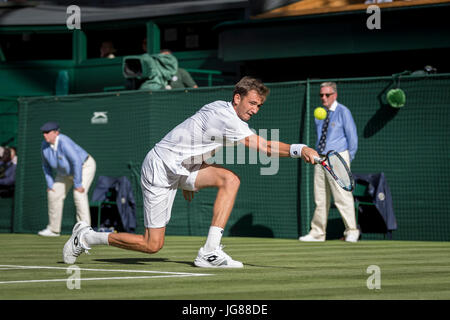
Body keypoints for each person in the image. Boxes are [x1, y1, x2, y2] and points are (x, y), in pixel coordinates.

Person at [63, 76, 319, 267]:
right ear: (237, 98)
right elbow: (263, 147)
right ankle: (86, 237)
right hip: (160, 169)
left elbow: (199, 140)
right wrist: (300, 149)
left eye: (259, 106)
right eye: (252, 103)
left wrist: (191, 176)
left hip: (181, 168)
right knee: (152, 245)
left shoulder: (221, 108)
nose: (255, 109)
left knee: (230, 179)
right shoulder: (227, 117)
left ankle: (210, 250)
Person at [299, 82, 359, 243]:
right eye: (321, 95)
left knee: (342, 196)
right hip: (321, 158)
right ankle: (317, 233)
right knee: (320, 198)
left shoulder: (343, 112)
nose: (323, 98)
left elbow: (352, 138)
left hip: (338, 157)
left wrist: (345, 160)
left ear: (335, 95)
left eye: (327, 95)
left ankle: (352, 231)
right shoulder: (319, 113)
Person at [38, 122, 96, 237]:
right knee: (53, 194)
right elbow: (46, 166)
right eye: (43, 133)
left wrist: (78, 183)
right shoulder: (44, 146)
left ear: (56, 133)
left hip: (84, 166)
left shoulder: (64, 141)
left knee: (79, 194)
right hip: (65, 173)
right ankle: (54, 230)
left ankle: (85, 231)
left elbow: (76, 162)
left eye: (47, 132)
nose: (45, 135)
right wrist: (50, 184)